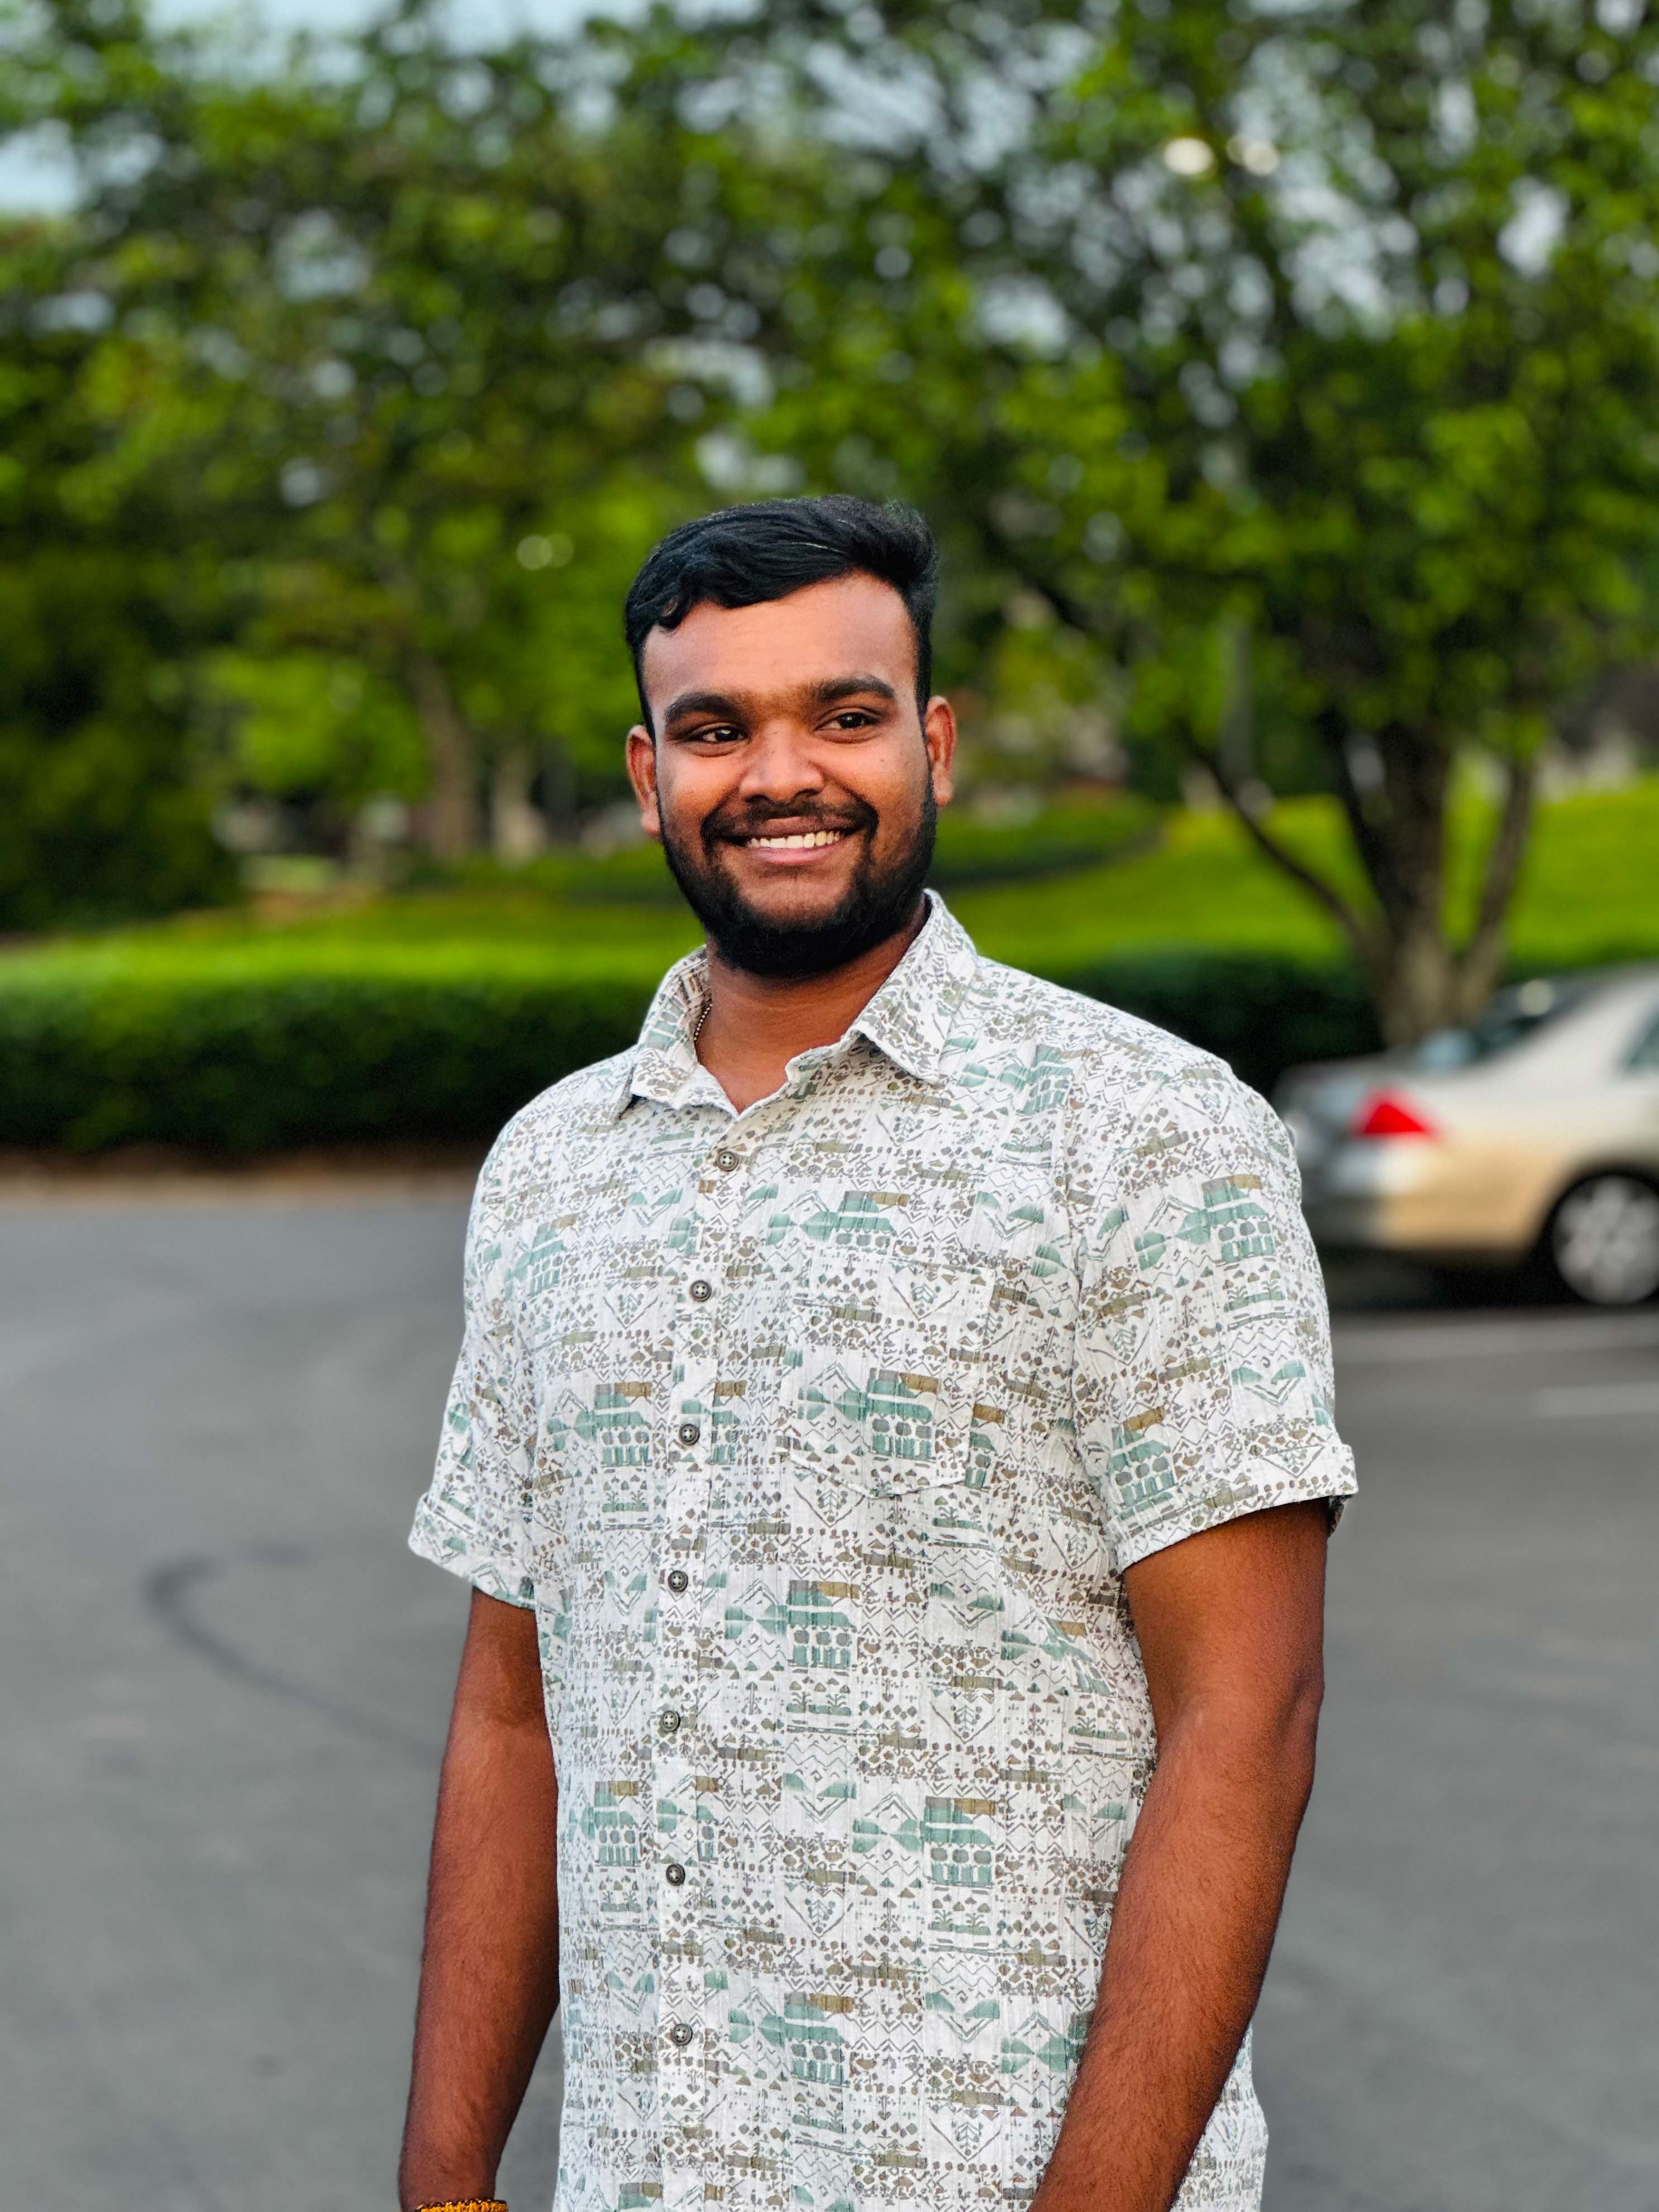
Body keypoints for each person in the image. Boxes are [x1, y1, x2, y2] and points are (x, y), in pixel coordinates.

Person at [399, 495, 1356, 2212]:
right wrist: (448, 2174)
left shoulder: (1137, 1133)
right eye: (715, 729)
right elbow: (510, 1710)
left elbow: (1247, 1715)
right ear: (646, 776)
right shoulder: (552, 1163)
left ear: (934, 744)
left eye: (841, 715)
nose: (779, 775)